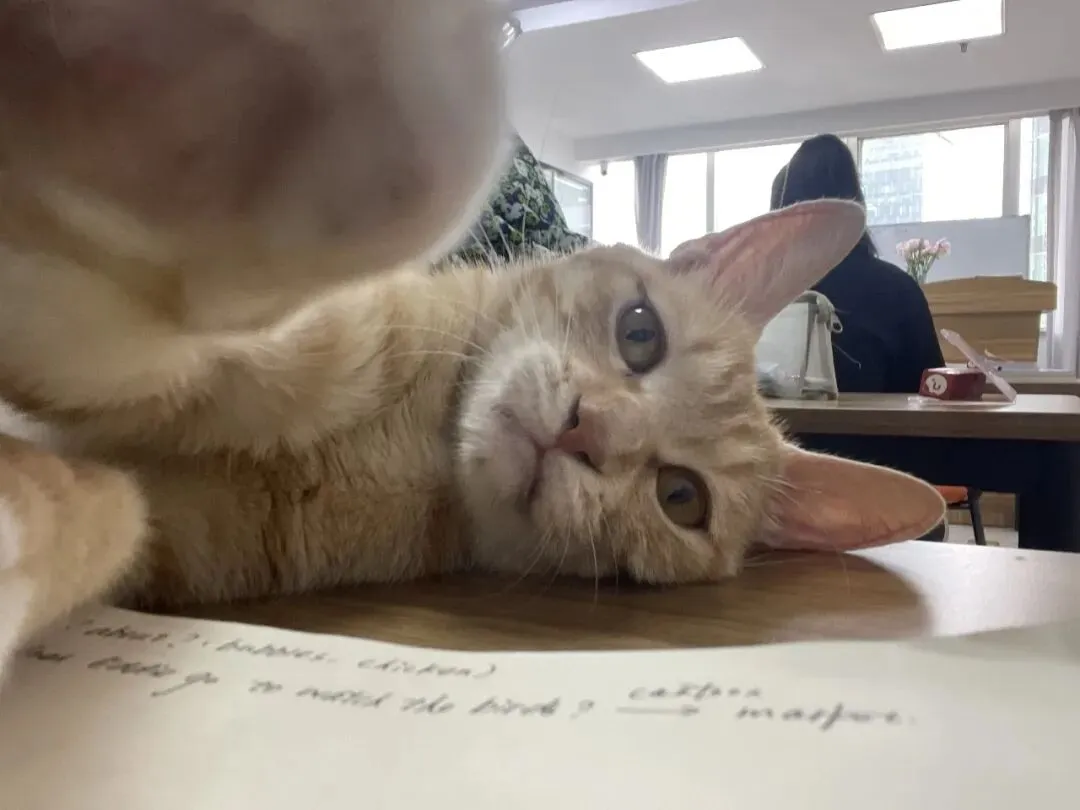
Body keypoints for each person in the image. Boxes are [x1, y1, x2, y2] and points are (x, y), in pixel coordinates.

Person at [770, 134, 944, 393]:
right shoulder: (899, 292)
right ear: (856, 205)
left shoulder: (764, 297)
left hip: (775, 421)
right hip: (883, 420)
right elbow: (937, 392)